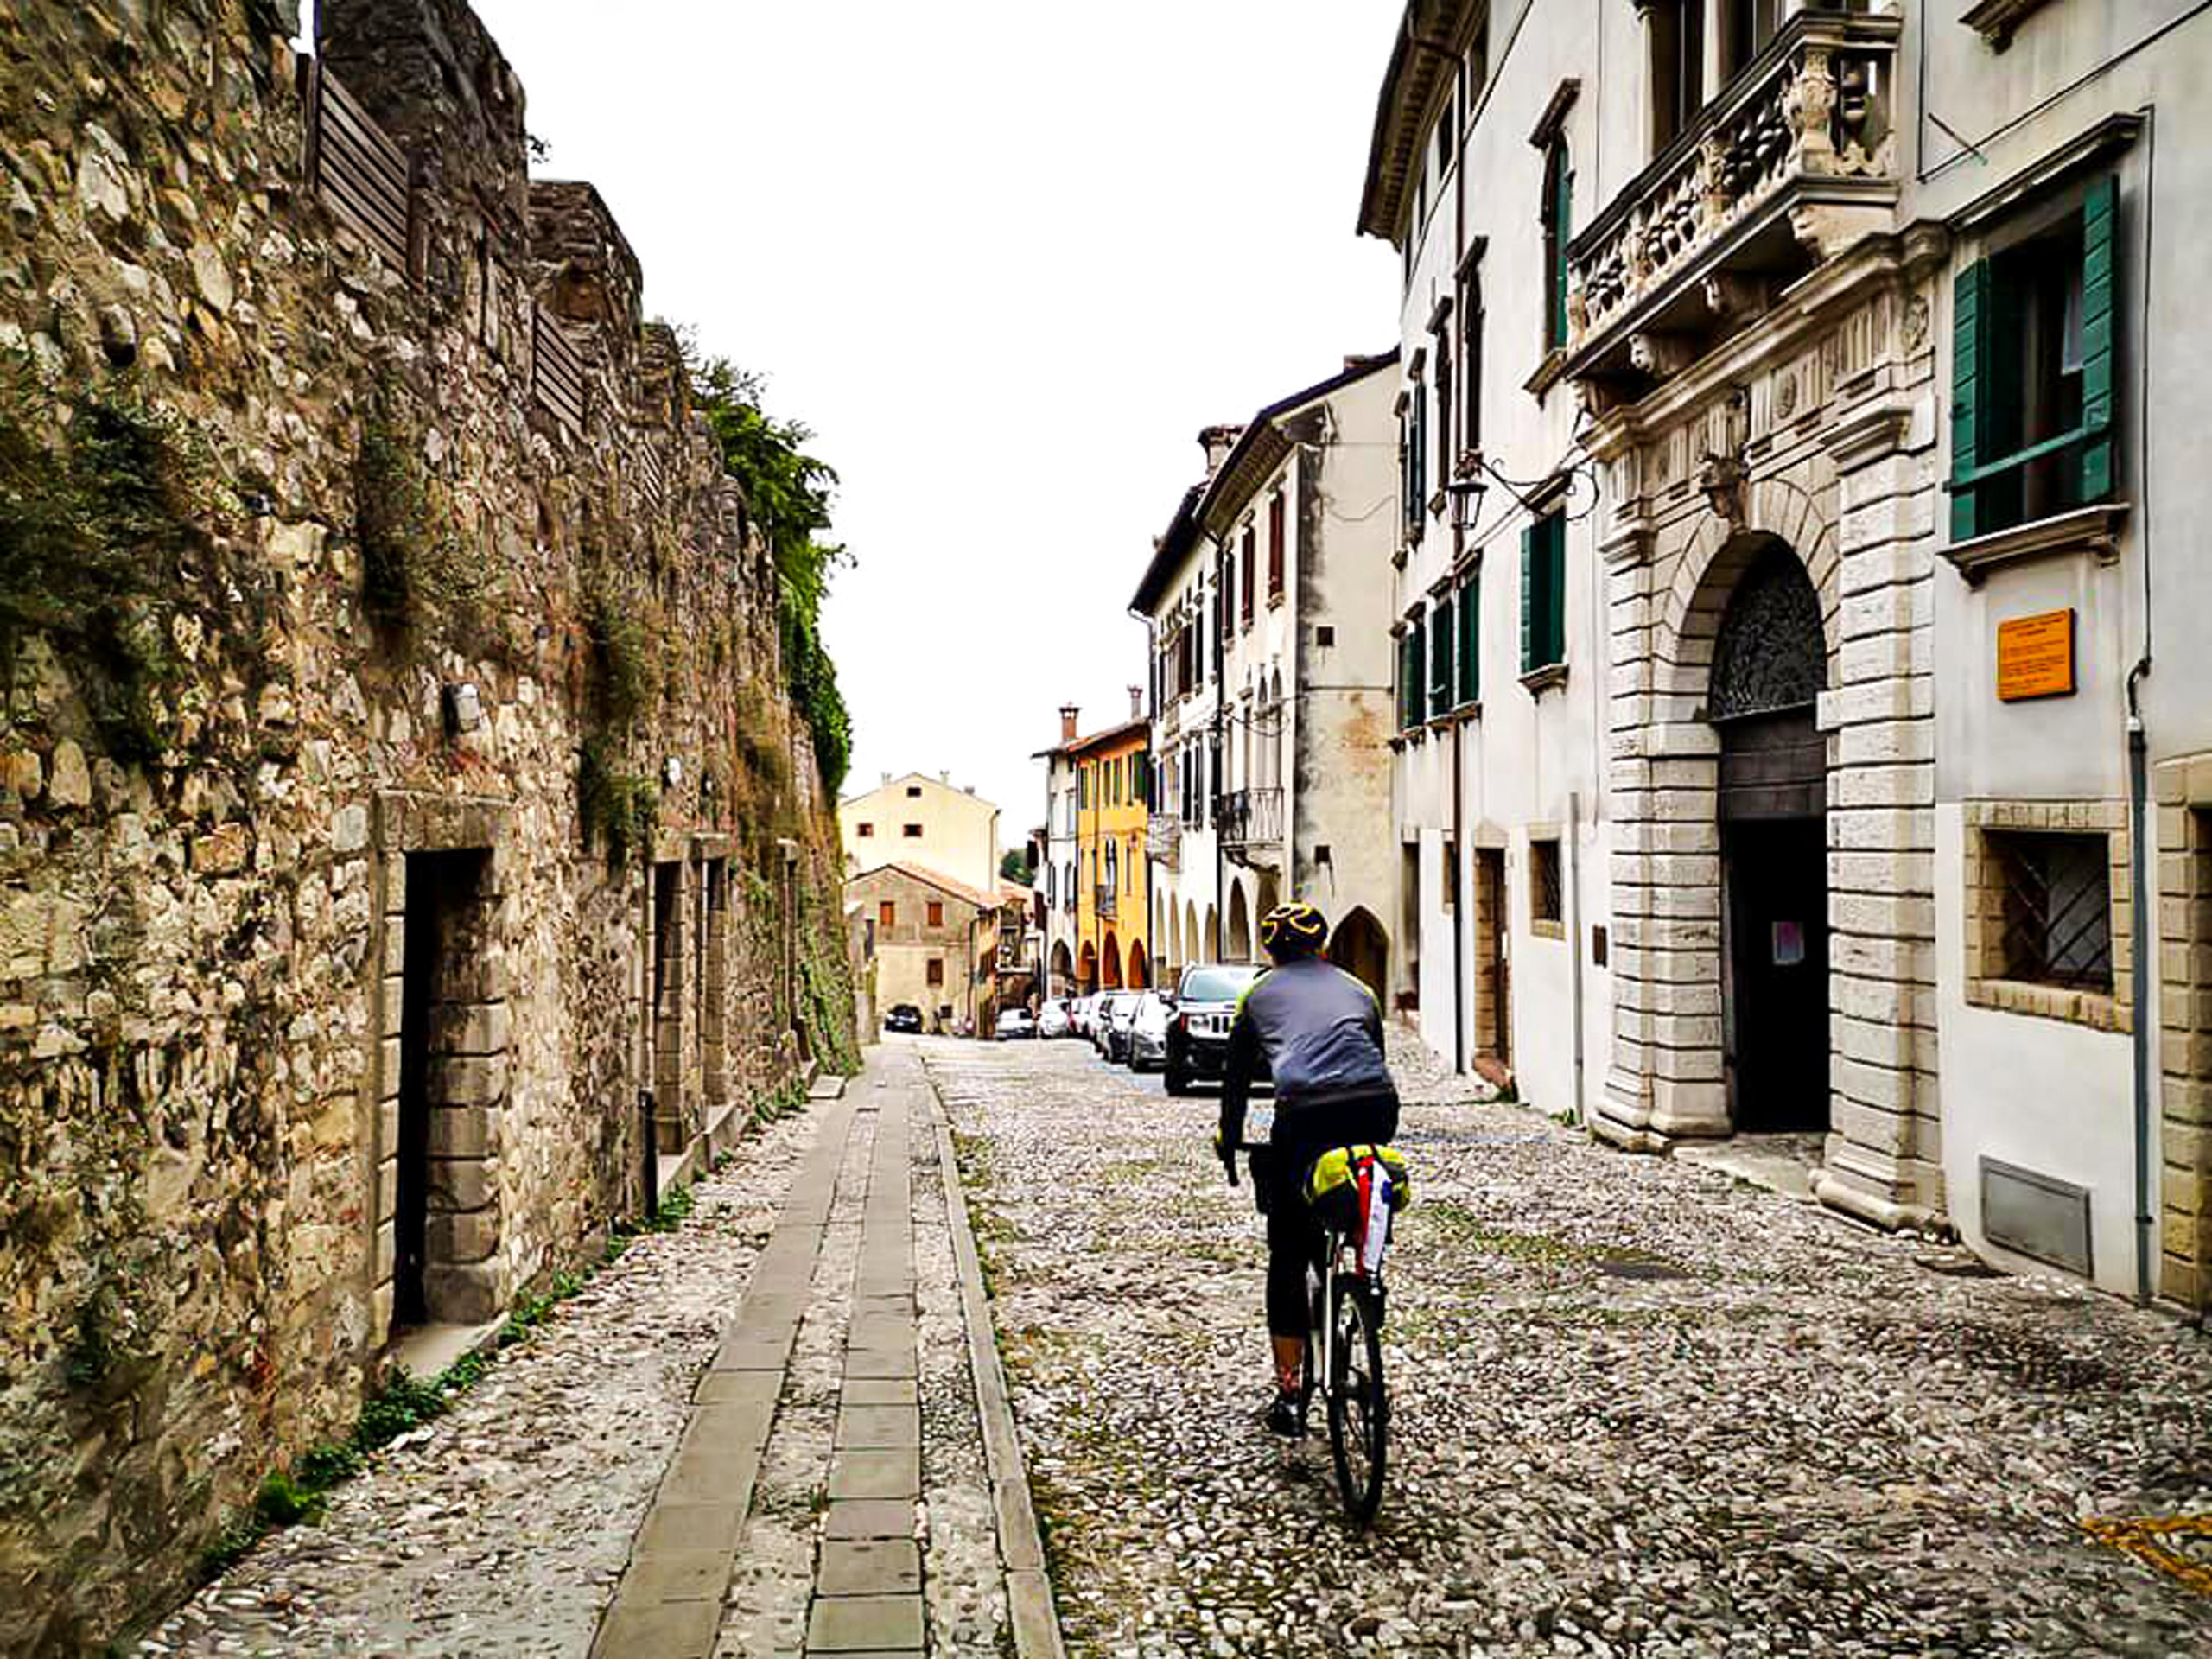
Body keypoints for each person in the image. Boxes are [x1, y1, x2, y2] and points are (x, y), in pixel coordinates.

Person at [1215, 901, 1399, 1437]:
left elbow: (1235, 1083)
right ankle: (1366, 1272)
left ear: (1270, 952)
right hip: (1376, 1106)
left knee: (1288, 1255)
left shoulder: (1257, 995)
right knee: (1357, 1176)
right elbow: (1375, 1054)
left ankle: (1290, 1393)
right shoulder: (1358, 989)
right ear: (1323, 948)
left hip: (1304, 1112)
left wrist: (1229, 1140)